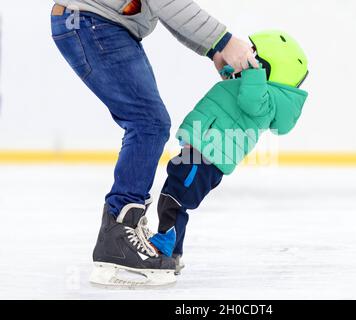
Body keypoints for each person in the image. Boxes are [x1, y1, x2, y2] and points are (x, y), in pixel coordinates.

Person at [50, 0, 259, 287]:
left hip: (96, 23)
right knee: (148, 122)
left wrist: (215, 48)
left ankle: (124, 226)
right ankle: (118, 232)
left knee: (150, 122)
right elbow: (169, 2)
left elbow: (163, 7)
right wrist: (224, 40)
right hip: (92, 22)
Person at [145, 30, 309, 275]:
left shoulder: (265, 100)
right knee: (173, 195)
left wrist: (253, 72)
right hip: (200, 151)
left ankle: (165, 250)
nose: (246, 58)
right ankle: (171, 250)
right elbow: (237, 95)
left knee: (175, 200)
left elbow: (251, 102)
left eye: (253, 56)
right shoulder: (253, 88)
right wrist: (229, 68)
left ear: (266, 67)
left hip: (205, 156)